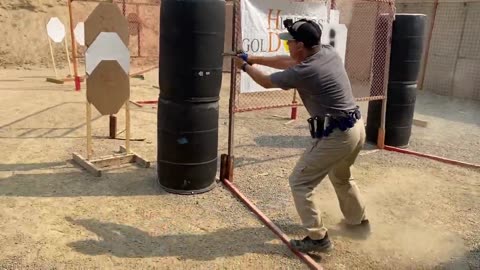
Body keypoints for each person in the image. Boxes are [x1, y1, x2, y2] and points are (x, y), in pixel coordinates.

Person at [234, 19, 369, 253]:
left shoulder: (308, 70)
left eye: (290, 42)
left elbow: (266, 82)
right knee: (342, 178)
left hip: (337, 134)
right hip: (356, 127)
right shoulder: (326, 52)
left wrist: (244, 67)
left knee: (300, 182)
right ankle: (358, 224)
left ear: (301, 45)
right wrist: (253, 59)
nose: (288, 46)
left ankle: (318, 238)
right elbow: (288, 62)